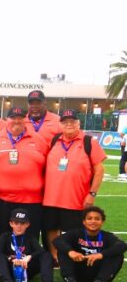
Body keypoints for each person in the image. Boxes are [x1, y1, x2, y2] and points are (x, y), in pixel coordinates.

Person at [0, 106, 48, 241]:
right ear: (7, 119)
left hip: (31, 199)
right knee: (4, 235)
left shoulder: (38, 140)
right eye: (13, 118)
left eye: (20, 118)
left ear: (26, 120)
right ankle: (4, 259)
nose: (16, 121)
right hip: (1, 199)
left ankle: (29, 259)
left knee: (30, 235)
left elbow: (49, 165)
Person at [42, 110, 104, 256]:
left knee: (73, 231)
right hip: (51, 198)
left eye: (72, 121)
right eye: (65, 122)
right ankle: (55, 256)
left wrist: (92, 194)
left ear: (79, 123)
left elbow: (99, 170)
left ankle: (71, 255)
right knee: (51, 228)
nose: (69, 124)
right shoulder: (54, 140)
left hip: (75, 198)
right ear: (60, 124)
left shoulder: (89, 142)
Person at [53, 206, 126, 282]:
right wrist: (71, 252)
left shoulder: (107, 236)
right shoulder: (76, 233)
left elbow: (122, 245)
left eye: (97, 219)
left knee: (118, 255)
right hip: (77, 271)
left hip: (96, 273)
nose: (93, 221)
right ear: (84, 222)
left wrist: (101, 255)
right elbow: (58, 241)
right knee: (63, 250)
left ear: (102, 222)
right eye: (89, 218)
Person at [0, 208, 61, 282]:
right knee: (0, 258)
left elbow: (41, 252)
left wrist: (28, 257)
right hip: (10, 268)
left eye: (22, 223)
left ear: (27, 224)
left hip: (27, 268)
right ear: (11, 223)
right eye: (16, 223)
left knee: (47, 255)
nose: (19, 226)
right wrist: (12, 259)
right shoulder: (5, 237)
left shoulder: (30, 237)